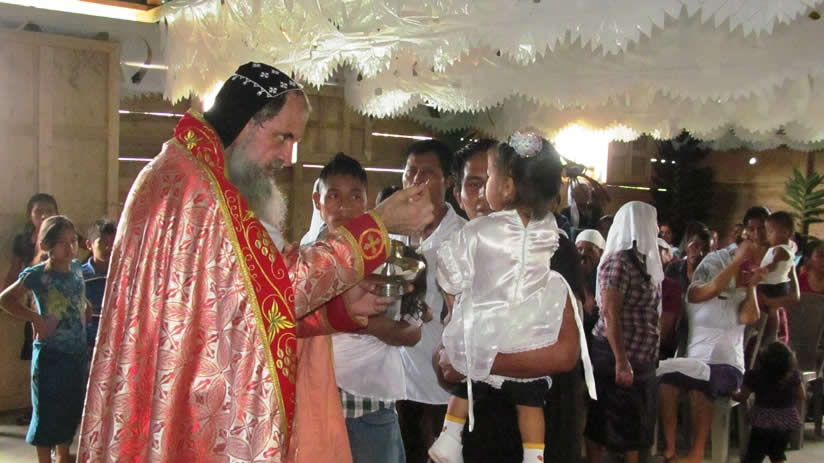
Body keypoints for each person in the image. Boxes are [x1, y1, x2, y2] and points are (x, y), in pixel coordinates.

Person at [77, 62, 434, 463]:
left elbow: (242, 309)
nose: (288, 157)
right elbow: (275, 287)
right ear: (247, 122)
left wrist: (338, 306)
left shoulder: (181, 170)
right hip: (195, 399)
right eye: (283, 137)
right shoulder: (203, 192)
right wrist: (378, 226)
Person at [429, 132, 596, 463]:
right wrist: (446, 358)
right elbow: (446, 351)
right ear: (457, 194)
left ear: (508, 187)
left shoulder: (554, 248)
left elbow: (565, 353)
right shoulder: (473, 246)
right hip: (480, 435)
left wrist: (472, 360)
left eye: (487, 180)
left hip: (547, 429)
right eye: (473, 184)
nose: (481, 194)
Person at [656, 233, 763, 463]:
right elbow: (713, 288)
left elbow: (750, 317)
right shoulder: (695, 291)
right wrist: (735, 262)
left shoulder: (741, 295)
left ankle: (696, 454)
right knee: (666, 381)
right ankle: (670, 450)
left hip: (728, 365)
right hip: (694, 361)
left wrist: (752, 287)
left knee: (702, 384)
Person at [396, 139, 467, 463]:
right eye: (411, 172)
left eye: (427, 173)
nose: (416, 180)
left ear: (448, 181)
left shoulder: (464, 236)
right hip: (400, 377)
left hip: (444, 382)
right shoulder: (393, 233)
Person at [0, 215, 89, 463]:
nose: (70, 248)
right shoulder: (38, 275)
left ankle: (62, 454)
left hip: (76, 353)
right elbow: (6, 300)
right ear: (47, 245)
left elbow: (77, 296)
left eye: (73, 241)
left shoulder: (76, 269)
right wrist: (34, 318)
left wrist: (86, 306)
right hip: (50, 355)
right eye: (63, 242)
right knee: (47, 412)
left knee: (70, 409)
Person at [584, 201, 663, 463]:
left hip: (638, 356)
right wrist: (621, 361)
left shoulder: (644, 262)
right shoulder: (619, 262)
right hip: (616, 354)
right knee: (605, 419)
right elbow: (610, 312)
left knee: (635, 423)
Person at [5, 193, 59, 362]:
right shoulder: (23, 240)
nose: (44, 216)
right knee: (38, 341)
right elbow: (14, 270)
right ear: (30, 215)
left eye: (49, 211)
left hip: (61, 296)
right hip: (34, 297)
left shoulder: (63, 236)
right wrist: (6, 297)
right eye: (38, 211)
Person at [732, 342, 805, 463]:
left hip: (762, 422)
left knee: (754, 455)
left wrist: (732, 392)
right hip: (786, 421)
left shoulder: (754, 375)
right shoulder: (793, 376)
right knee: (777, 454)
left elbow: (742, 397)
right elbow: (802, 396)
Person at [81, 219, 116, 350]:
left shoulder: (123, 275)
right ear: (89, 245)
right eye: (103, 243)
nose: (109, 248)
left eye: (114, 243)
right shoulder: (79, 275)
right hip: (87, 343)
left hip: (114, 342)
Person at [758, 211, 799, 301]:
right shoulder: (785, 248)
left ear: (785, 233)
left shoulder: (781, 250)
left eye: (770, 232)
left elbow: (773, 265)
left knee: (770, 305)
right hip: (776, 284)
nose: (767, 236)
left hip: (774, 286)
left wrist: (760, 271)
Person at [576, 229, 606, 345]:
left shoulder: (605, 273)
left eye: (589, 250)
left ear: (601, 252)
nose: (583, 253)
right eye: (579, 249)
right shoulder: (572, 272)